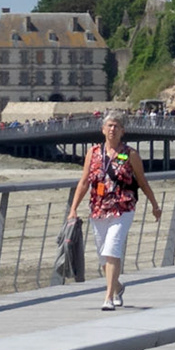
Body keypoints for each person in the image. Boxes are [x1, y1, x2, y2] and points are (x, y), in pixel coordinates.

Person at [69, 112, 161, 310]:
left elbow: (142, 182)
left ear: (122, 131)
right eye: (109, 125)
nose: (112, 129)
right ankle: (117, 286)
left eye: (116, 126)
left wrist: (155, 205)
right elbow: (84, 181)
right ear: (103, 129)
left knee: (112, 249)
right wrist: (73, 208)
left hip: (123, 207)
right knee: (104, 255)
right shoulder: (93, 152)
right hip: (98, 208)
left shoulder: (130, 154)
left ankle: (108, 297)